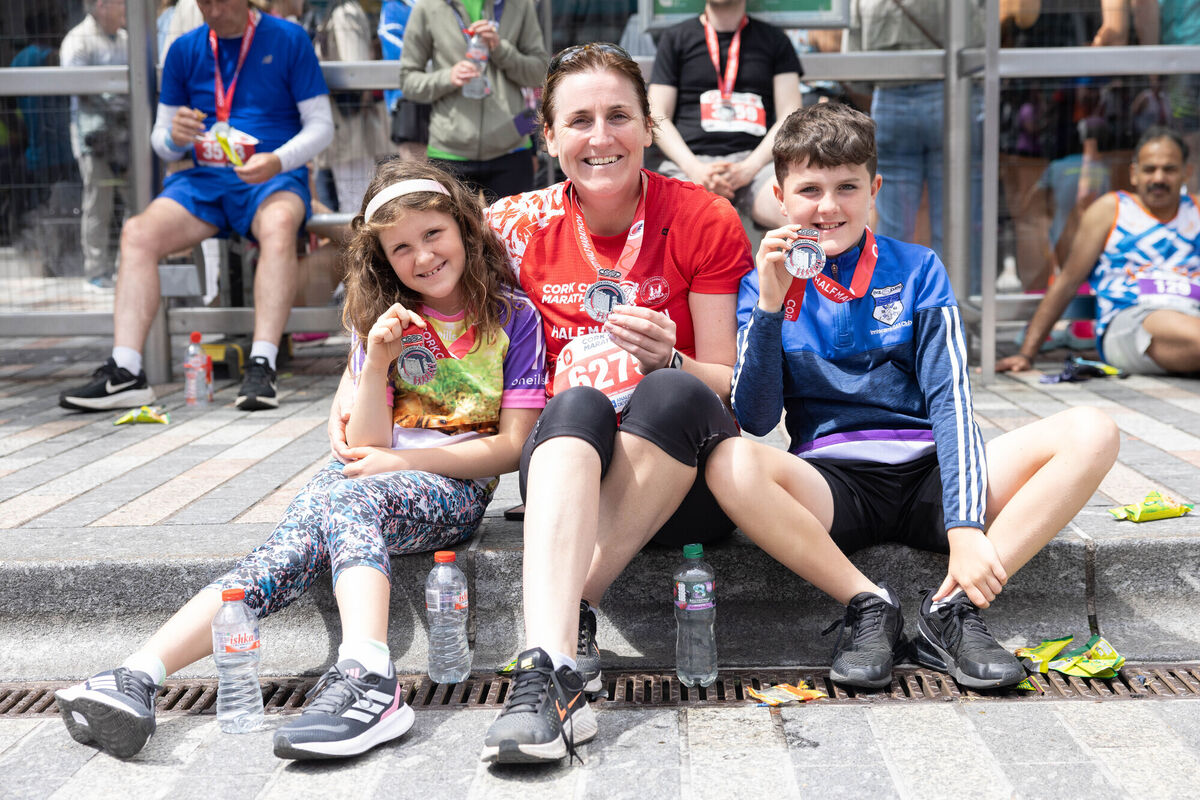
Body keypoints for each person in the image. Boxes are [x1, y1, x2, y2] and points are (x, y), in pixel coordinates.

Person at [53, 159, 546, 762]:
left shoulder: (513, 317)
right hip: (370, 475)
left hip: (453, 486)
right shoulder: (383, 320)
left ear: (464, 229)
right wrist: (378, 362)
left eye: (433, 234)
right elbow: (364, 441)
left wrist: (397, 464)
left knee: (345, 496)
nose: (422, 256)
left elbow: (512, 447)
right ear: (382, 258)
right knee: (285, 549)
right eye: (400, 248)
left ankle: (369, 675)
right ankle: (138, 674)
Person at [705, 102, 1118, 692]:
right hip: (834, 487)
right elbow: (755, 416)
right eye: (810, 190)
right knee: (728, 459)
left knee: (1093, 430)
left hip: (930, 476)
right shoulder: (763, 283)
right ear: (779, 197)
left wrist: (966, 526)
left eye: (848, 187)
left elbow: (951, 401)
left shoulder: (919, 268)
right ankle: (869, 604)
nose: (828, 206)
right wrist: (770, 307)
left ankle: (952, 608)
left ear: (874, 190)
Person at [479, 42, 751, 764]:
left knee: (673, 387)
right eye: (579, 120)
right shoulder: (512, 224)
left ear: (649, 127)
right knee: (572, 404)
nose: (601, 138)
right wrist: (357, 379)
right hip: (569, 474)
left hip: (684, 485)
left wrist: (672, 356)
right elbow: (412, 267)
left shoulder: (703, 216)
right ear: (549, 138)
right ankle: (552, 675)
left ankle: (560, 619)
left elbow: (727, 381)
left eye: (619, 116)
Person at [58, 0, 334, 413]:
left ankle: (263, 363)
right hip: (204, 180)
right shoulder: (185, 48)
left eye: (221, 0)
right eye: (204, 1)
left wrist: (278, 160)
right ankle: (126, 370)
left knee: (279, 224)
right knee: (137, 233)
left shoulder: (288, 37)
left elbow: (322, 125)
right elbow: (161, 141)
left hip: (272, 177)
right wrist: (175, 137)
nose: (213, 10)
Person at [998, 128, 1200, 376]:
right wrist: (1026, 354)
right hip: (1130, 320)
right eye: (1149, 169)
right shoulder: (1112, 209)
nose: (1159, 178)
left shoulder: (1197, 210)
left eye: (1169, 169)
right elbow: (1068, 281)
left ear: (1187, 172)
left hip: (1192, 316)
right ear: (1133, 173)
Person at [844, 0, 984, 293]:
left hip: (890, 99)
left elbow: (854, 66)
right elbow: (981, 46)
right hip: (953, 97)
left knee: (894, 227)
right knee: (957, 224)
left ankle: (891, 309)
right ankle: (957, 306)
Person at [648, 0, 801, 230]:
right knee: (677, 222)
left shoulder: (775, 40)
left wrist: (749, 168)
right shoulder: (675, 38)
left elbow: (790, 114)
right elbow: (657, 115)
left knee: (796, 210)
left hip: (758, 166)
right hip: (688, 164)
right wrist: (695, 169)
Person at [398, 0, 549, 202]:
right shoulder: (428, 5)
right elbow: (408, 81)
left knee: (514, 224)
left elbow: (539, 73)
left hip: (512, 145)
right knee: (451, 224)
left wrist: (500, 49)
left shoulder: (520, 4)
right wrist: (448, 77)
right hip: (448, 150)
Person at [61, 0, 130, 290]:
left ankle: (128, 267)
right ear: (102, 5)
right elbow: (77, 87)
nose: (125, 7)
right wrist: (113, 102)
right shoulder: (78, 40)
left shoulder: (125, 38)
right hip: (94, 138)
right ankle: (95, 271)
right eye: (120, 2)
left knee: (136, 201)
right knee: (98, 204)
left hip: (126, 135)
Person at [313, 0, 392, 213]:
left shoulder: (346, 12)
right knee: (353, 198)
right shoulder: (341, 11)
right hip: (346, 119)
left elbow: (354, 71)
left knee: (356, 200)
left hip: (352, 120)